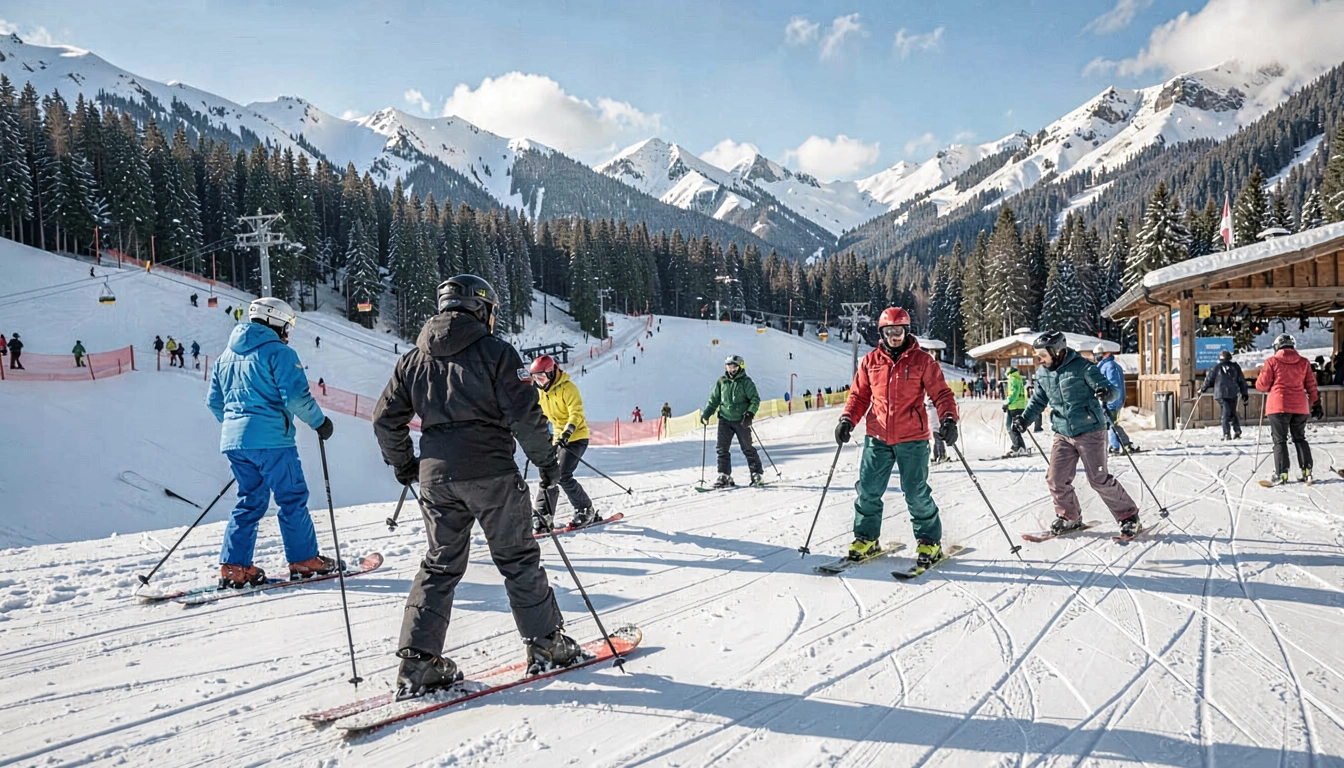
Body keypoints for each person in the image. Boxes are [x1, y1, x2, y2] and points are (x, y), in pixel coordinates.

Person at [371, 275, 580, 694]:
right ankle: (546, 644)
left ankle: (418, 662)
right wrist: (547, 464)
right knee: (518, 557)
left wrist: (406, 465)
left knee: (439, 564)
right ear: (481, 309)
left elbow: (384, 419)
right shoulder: (497, 352)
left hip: (436, 478)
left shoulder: (413, 360)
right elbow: (526, 416)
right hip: (491, 473)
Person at [206, 297, 339, 589]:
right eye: (287, 324)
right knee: (291, 497)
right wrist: (320, 422)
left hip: (235, 442)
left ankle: (234, 567)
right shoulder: (279, 352)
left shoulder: (225, 356)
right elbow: (295, 396)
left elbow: (214, 402)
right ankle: (304, 560)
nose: (288, 332)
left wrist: (240, 430)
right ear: (274, 321)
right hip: (272, 442)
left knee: (250, 499)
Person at [835, 307, 958, 567]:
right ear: (881, 332)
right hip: (877, 436)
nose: (894, 336)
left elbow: (942, 394)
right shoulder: (870, 361)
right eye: (889, 331)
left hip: (912, 438)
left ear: (906, 331)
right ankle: (866, 538)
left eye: (898, 331)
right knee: (868, 490)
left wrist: (948, 418)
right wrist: (847, 419)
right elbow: (859, 396)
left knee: (915, 492)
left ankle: (929, 542)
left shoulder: (923, 361)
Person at [1013, 331, 1140, 537]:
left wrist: (1106, 393)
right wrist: (1024, 420)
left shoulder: (1084, 368)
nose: (1040, 359)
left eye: (1043, 355)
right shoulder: (1044, 373)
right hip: (1062, 433)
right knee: (1055, 478)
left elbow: (1112, 390)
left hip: (1091, 431)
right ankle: (1069, 516)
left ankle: (1129, 516)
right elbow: (1038, 400)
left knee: (1098, 479)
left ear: (1057, 351)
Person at [526, 354, 598, 532]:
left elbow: (576, 413)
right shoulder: (543, 393)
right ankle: (544, 515)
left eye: (541, 377)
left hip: (576, 436)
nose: (539, 382)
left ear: (551, 373)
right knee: (549, 472)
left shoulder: (568, 388)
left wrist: (568, 432)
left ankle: (585, 509)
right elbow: (540, 415)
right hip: (558, 437)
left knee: (563, 474)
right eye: (535, 378)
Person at [1255, 334, 1321, 485]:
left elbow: (1261, 386)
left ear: (1277, 347)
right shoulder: (1304, 362)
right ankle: (1307, 471)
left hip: (1278, 405)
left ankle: (1281, 473)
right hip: (1300, 406)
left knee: (1280, 440)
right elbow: (1311, 385)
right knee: (1299, 438)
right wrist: (1316, 402)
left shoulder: (1272, 362)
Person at [701, 354, 763, 488]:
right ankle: (724, 475)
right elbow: (714, 399)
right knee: (722, 449)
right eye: (728, 366)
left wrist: (750, 414)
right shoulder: (722, 381)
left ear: (740, 366)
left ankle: (756, 474)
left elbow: (755, 399)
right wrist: (706, 414)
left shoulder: (746, 382)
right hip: (724, 419)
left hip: (741, 420)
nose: (731, 369)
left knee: (747, 448)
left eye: (733, 366)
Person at [1094, 344, 1134, 454]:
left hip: (1112, 401)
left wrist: (1108, 399)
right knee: (1111, 422)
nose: (1096, 357)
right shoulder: (1106, 365)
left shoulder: (1110, 366)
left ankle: (1122, 444)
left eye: (1097, 354)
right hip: (1111, 400)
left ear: (1103, 354)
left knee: (1112, 423)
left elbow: (1114, 385)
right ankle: (1118, 444)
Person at [1200, 349, 1248, 440]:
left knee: (1225, 414)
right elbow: (1241, 381)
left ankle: (1227, 433)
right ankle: (1236, 430)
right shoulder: (1235, 367)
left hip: (1221, 393)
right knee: (1231, 411)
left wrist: (1203, 389)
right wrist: (1244, 393)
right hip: (1233, 392)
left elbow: (1209, 379)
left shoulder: (1216, 367)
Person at [1003, 366, 1028, 455]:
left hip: (1015, 405)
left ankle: (1018, 447)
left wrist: (1007, 402)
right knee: (1011, 427)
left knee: (1013, 428)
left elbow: (1014, 393)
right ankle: (1018, 446)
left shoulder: (1013, 379)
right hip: (1017, 405)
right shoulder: (1018, 378)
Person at [927, 397, 949, 464]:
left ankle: (941, 454)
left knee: (935, 431)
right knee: (934, 432)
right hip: (930, 407)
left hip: (932, 407)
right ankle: (937, 454)